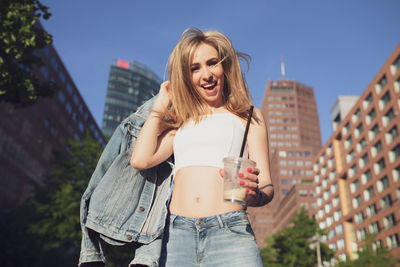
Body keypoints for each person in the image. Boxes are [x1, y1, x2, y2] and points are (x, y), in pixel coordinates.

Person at [131, 28, 274, 267]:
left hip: (231, 232)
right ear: (186, 77)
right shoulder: (182, 121)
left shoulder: (248, 117)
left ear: (225, 67)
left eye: (212, 63)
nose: (205, 74)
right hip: (176, 235)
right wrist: (161, 103)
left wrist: (254, 195)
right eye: (194, 68)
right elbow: (141, 159)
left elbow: (267, 187)